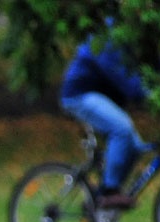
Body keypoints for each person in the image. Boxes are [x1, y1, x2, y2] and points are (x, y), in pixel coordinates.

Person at [60, 21, 149, 210]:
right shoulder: (107, 36)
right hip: (80, 94)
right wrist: (152, 95)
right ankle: (110, 191)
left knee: (135, 147)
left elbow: (154, 62)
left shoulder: (137, 33)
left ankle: (104, 195)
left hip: (102, 96)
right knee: (122, 128)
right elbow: (123, 78)